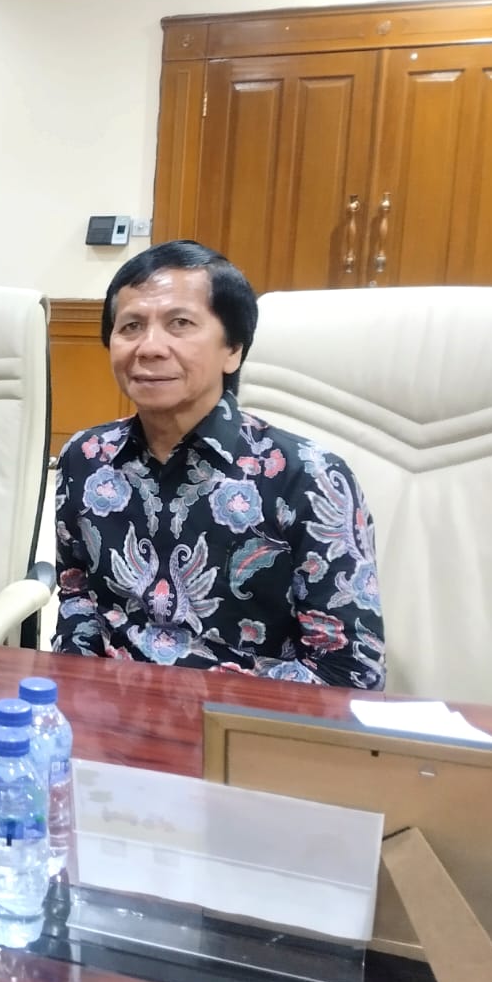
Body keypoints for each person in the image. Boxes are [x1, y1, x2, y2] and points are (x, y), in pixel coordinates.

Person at [52, 240, 384, 688]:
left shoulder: (308, 477)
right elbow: (78, 602)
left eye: (180, 324)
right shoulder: (86, 459)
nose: (149, 347)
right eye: (130, 326)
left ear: (234, 350)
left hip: (249, 732)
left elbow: (349, 673)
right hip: (111, 721)